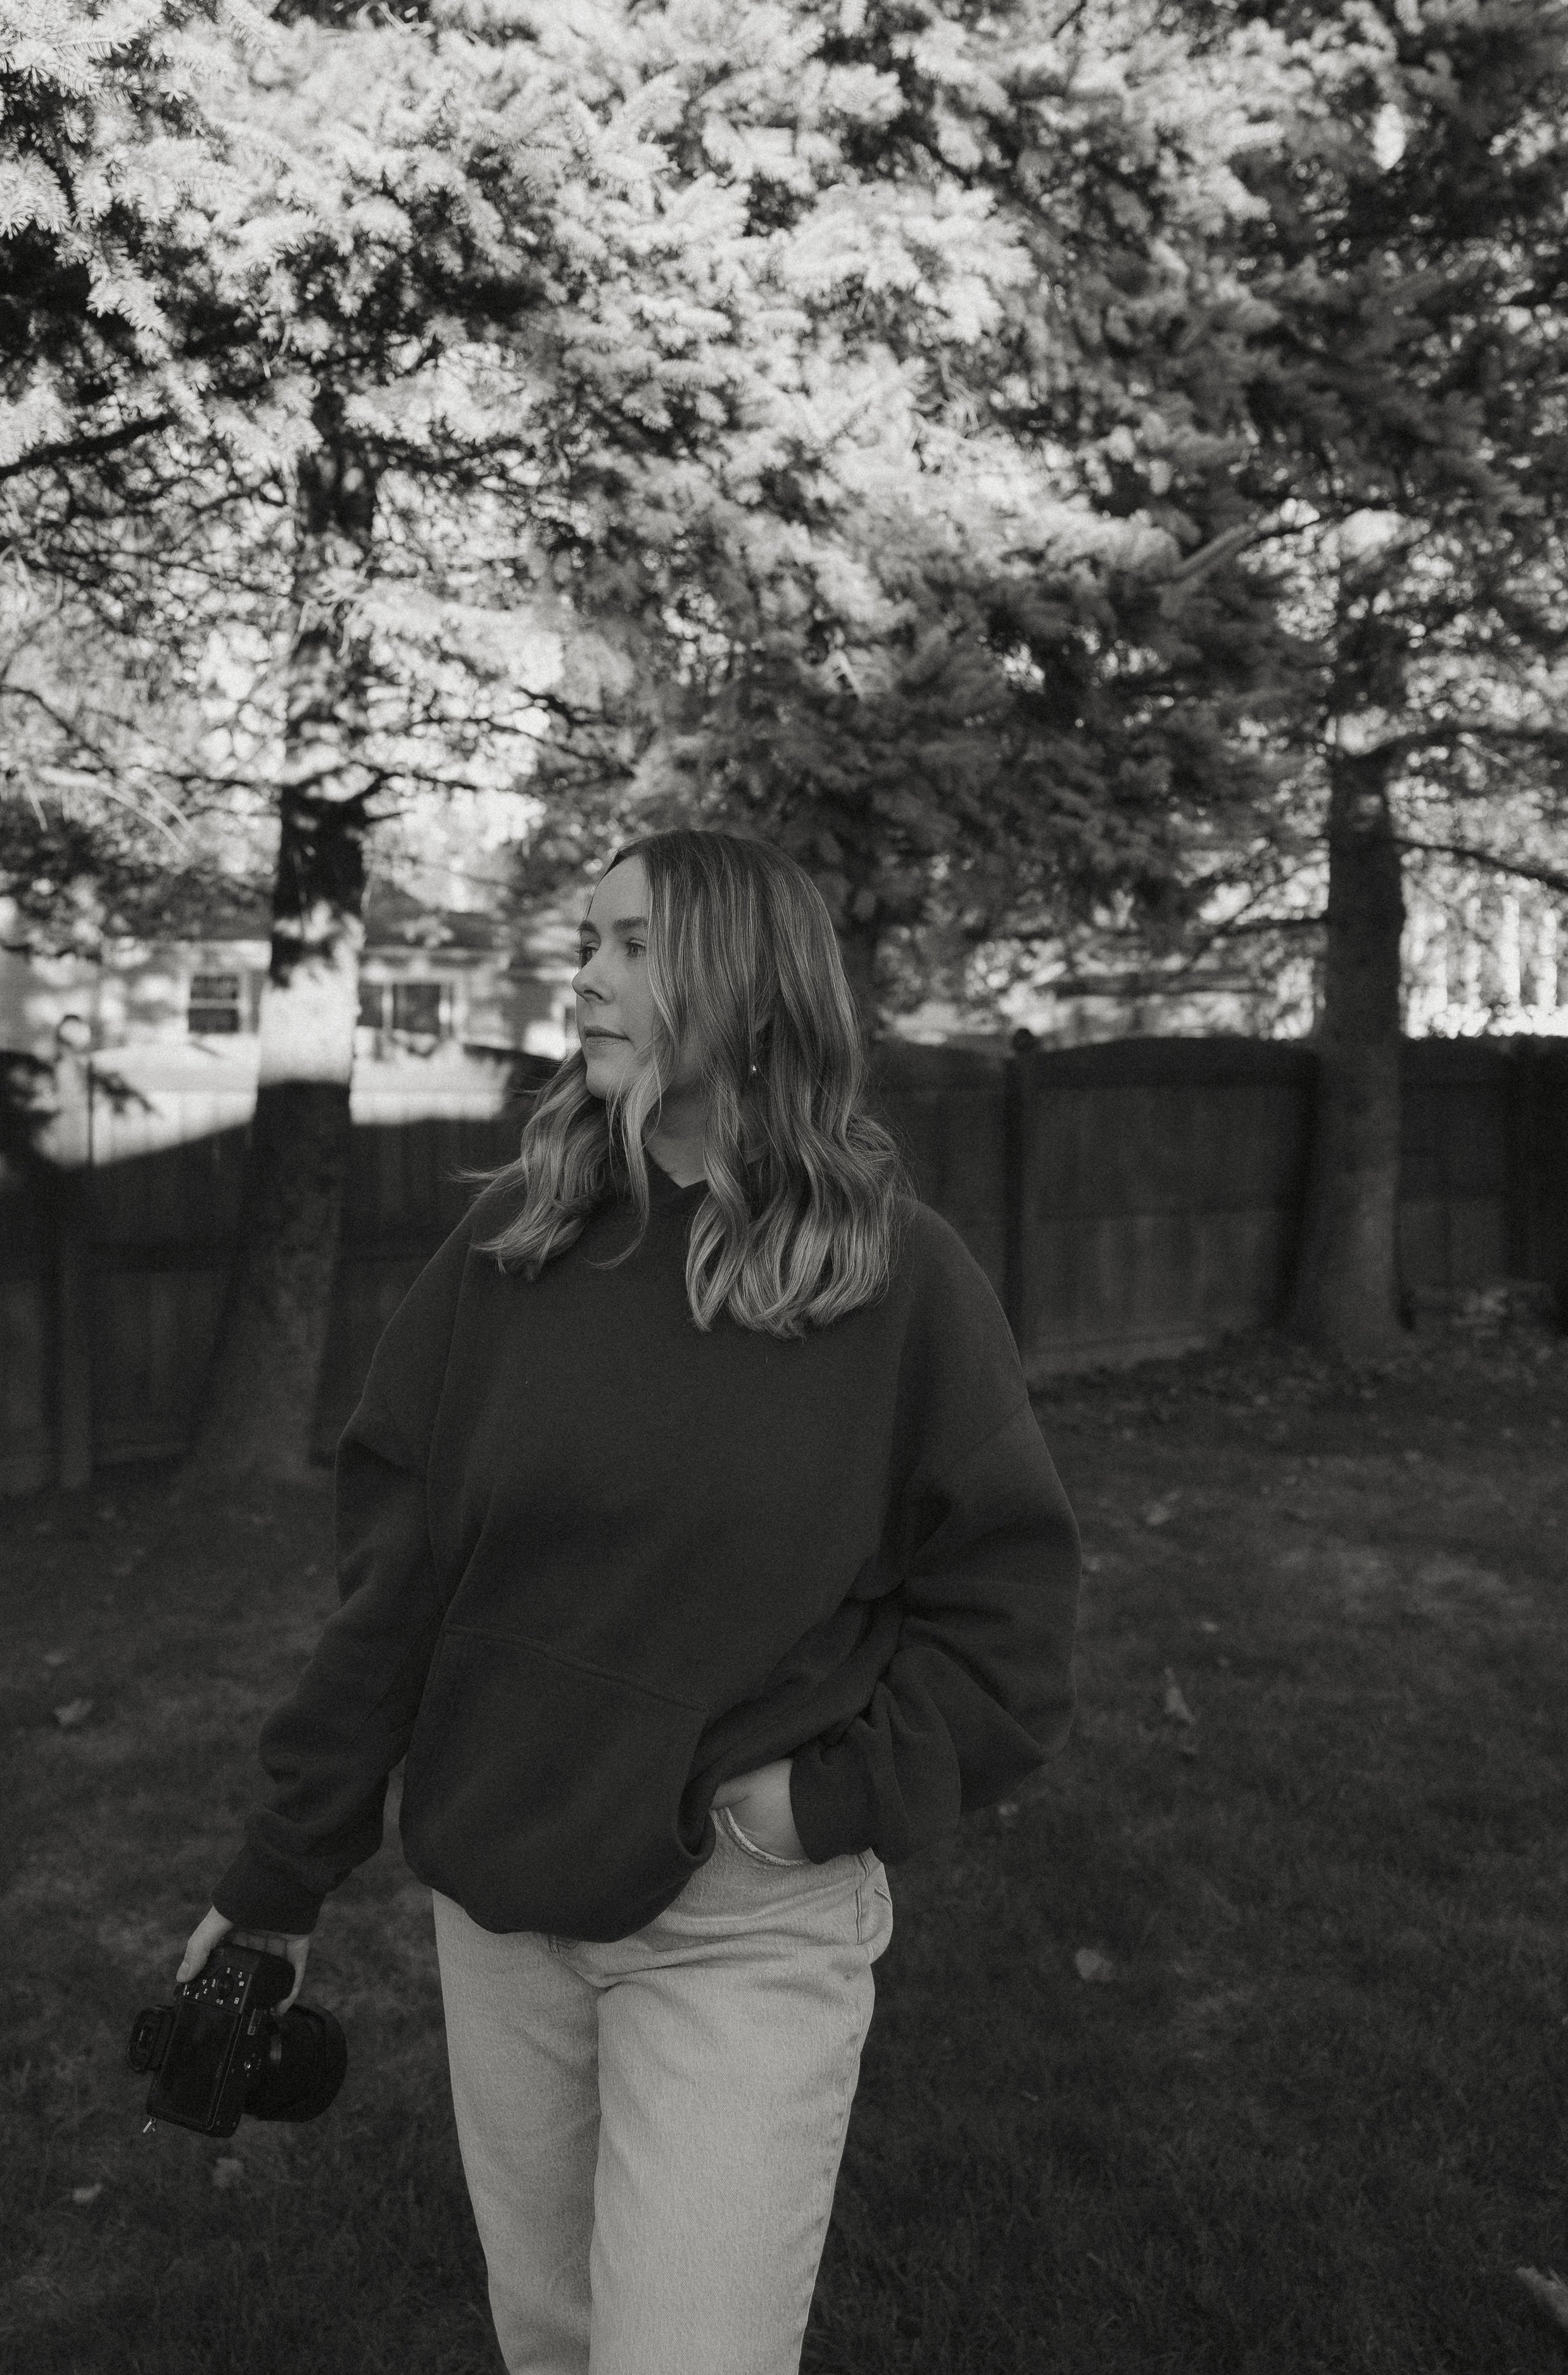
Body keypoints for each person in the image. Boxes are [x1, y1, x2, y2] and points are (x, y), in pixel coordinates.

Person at [179, 828, 1082, 2375]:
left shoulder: (899, 1282)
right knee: (552, 2340)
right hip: (500, 1908)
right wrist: (284, 1868)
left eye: (632, 946)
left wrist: (823, 1800)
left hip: (739, 1919)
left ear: (748, 985)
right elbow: (394, 1590)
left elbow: (1009, 1626)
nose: (583, 975)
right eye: (586, 941)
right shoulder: (508, 1253)